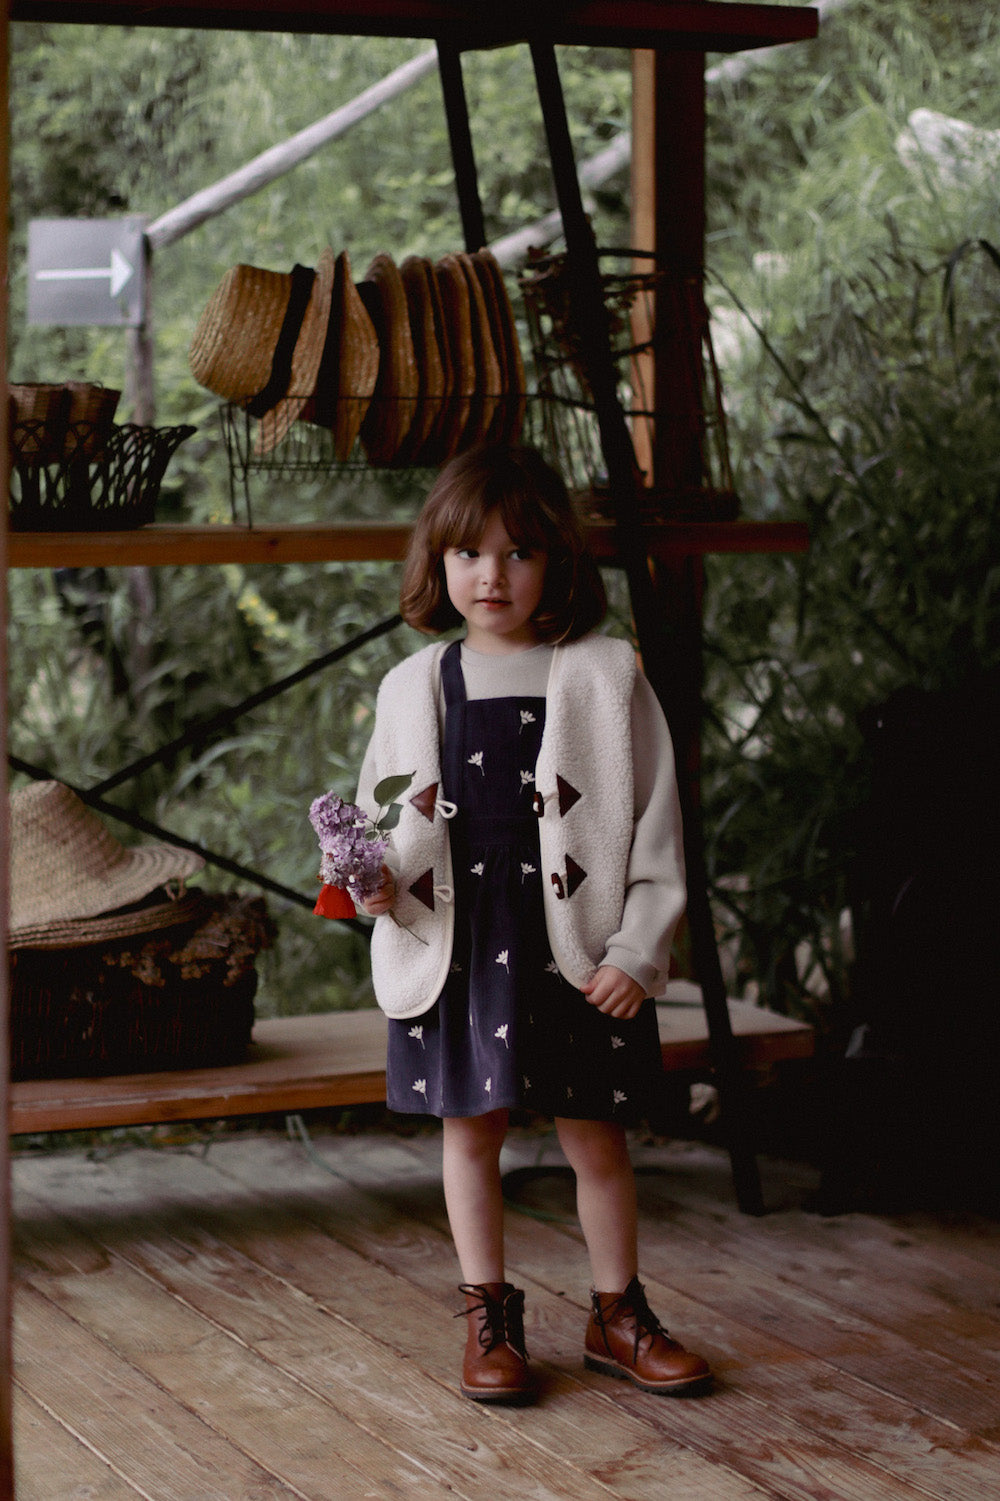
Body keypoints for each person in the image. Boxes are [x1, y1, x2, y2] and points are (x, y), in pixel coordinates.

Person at [355, 442, 711, 1405]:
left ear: (557, 562)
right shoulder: (411, 686)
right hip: (463, 947)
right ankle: (490, 1317)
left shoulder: (605, 675)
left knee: (597, 1134)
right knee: (471, 1132)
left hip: (580, 950)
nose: (492, 574)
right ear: (438, 561)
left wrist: (638, 950)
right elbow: (384, 828)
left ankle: (617, 1313)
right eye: (469, 552)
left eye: (519, 552)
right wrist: (374, 886)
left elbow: (656, 827)